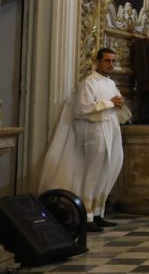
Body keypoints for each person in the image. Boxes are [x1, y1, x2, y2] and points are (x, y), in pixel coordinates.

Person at [39, 48, 129, 232]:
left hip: (110, 128)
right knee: (93, 171)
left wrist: (118, 103)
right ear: (97, 61)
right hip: (94, 131)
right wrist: (112, 103)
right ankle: (86, 215)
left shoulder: (110, 83)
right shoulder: (89, 83)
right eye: (107, 61)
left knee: (108, 168)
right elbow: (81, 108)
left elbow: (114, 103)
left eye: (113, 61)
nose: (111, 65)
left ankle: (98, 212)